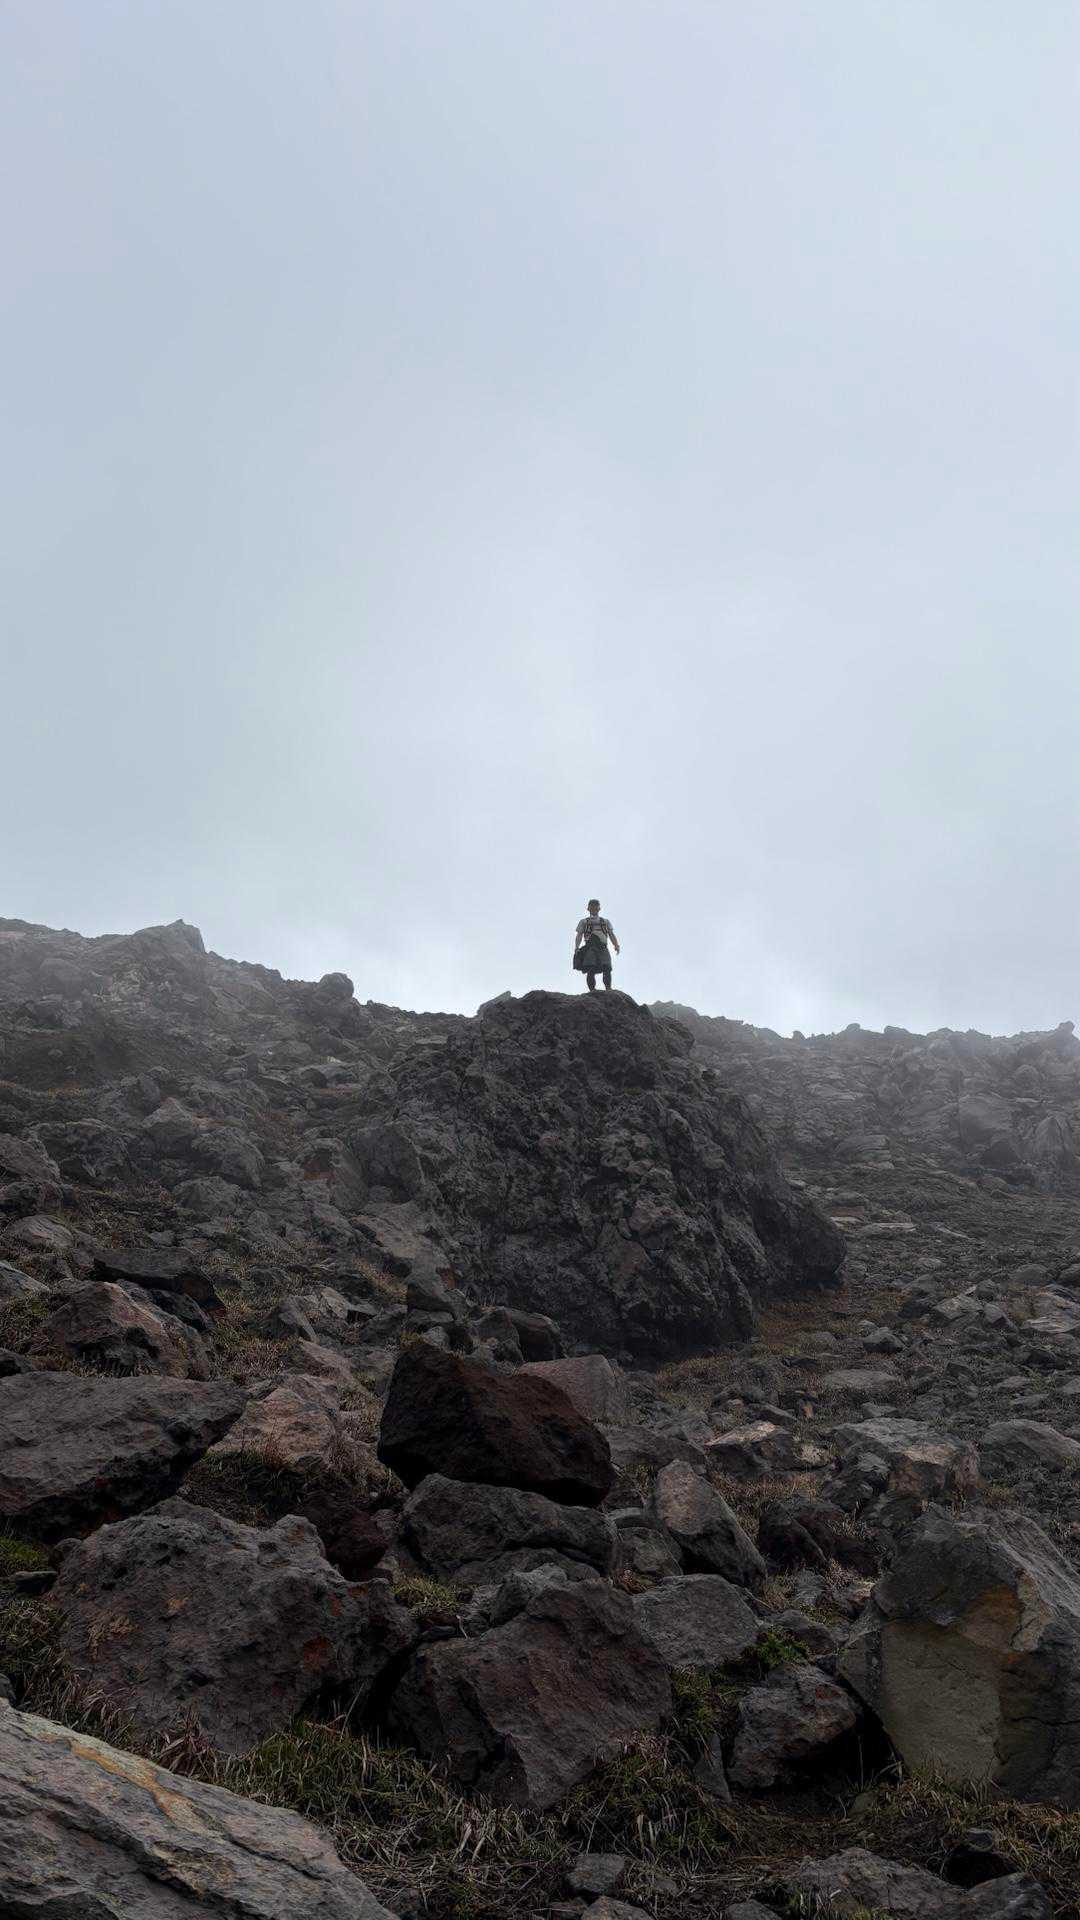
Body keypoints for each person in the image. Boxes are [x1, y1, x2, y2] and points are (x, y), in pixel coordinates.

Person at [573, 899, 620, 992]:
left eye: (596, 906)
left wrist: (616, 945)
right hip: (590, 947)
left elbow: (611, 934)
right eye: (592, 906)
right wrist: (577, 947)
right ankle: (592, 990)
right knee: (591, 967)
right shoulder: (584, 922)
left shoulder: (605, 921)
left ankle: (608, 988)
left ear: (599, 908)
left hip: (603, 947)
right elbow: (579, 935)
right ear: (588, 908)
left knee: (607, 967)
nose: (594, 907)